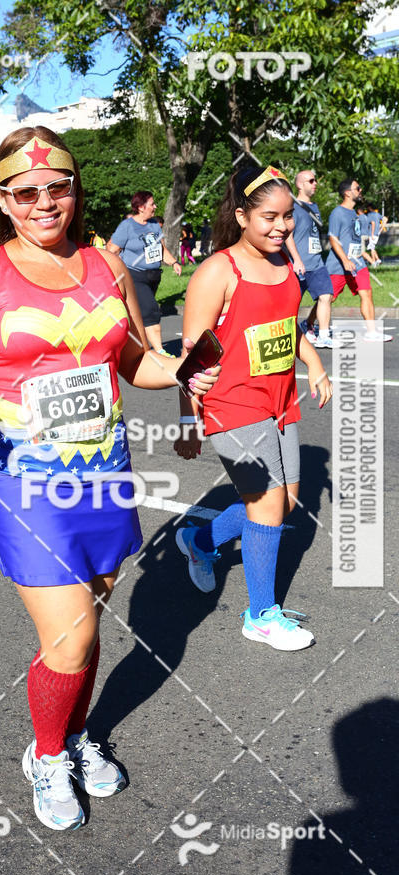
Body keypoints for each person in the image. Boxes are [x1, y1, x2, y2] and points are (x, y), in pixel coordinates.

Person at [0, 126, 219, 832]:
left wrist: (183, 368)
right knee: (71, 638)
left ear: (74, 189)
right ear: (2, 198)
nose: (44, 202)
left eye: (57, 187)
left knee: (88, 624)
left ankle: (75, 731)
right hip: (25, 480)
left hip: (104, 473)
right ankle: (48, 754)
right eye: (25, 192)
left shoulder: (106, 264)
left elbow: (136, 362)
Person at [175, 165, 332, 651]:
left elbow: (288, 326)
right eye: (269, 217)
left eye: (287, 216)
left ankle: (200, 542)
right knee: (266, 504)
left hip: (279, 399)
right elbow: (192, 358)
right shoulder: (218, 271)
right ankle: (261, 615)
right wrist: (187, 421)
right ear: (242, 216)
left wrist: (314, 365)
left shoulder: (284, 262)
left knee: (284, 502)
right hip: (232, 402)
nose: (282, 226)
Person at [107, 192, 181, 357]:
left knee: (139, 314)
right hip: (135, 276)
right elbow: (112, 250)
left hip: (153, 276)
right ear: (141, 207)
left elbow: (161, 248)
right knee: (151, 311)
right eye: (152, 204)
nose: (155, 207)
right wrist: (114, 271)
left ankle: (134, 348)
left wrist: (174, 262)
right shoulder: (127, 226)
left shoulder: (154, 225)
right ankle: (160, 351)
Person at [325, 180, 391, 341]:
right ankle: (309, 324)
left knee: (366, 293)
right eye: (357, 188)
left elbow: (354, 239)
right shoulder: (337, 213)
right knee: (327, 298)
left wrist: (367, 251)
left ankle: (371, 332)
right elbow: (333, 238)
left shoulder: (354, 214)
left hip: (358, 263)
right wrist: (345, 260)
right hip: (339, 265)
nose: (360, 191)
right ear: (348, 193)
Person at [285, 170, 342, 349]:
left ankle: (323, 336)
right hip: (298, 265)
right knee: (290, 304)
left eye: (315, 180)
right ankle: (288, 335)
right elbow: (288, 235)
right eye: (311, 180)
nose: (315, 183)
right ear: (300, 185)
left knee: (326, 296)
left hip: (317, 264)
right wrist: (297, 260)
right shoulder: (292, 206)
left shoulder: (315, 207)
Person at [366, 203, 383, 267]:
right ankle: (378, 260)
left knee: (372, 249)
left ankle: (373, 262)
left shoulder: (369, 215)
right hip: (376, 233)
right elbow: (385, 219)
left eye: (368, 207)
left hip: (372, 233)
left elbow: (372, 223)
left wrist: (372, 234)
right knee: (372, 247)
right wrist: (381, 229)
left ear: (370, 207)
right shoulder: (377, 214)